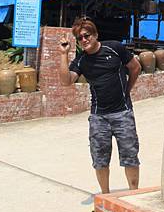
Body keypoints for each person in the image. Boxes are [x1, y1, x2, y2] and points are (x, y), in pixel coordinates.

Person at [59, 17, 142, 194]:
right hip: (99, 117)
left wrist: (127, 90)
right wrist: (63, 55)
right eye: (79, 38)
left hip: (123, 112)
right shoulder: (81, 60)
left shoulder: (115, 48)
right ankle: (105, 196)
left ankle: (134, 194)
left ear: (95, 34)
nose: (84, 40)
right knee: (100, 158)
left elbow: (135, 67)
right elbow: (66, 81)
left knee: (130, 156)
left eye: (86, 35)